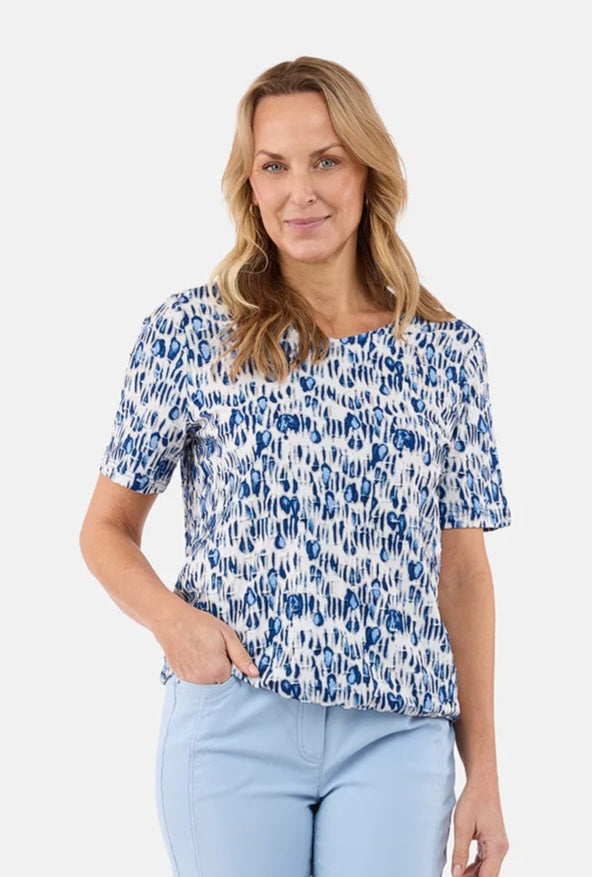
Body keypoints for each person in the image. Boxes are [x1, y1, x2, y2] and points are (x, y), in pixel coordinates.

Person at [79, 56, 512, 877]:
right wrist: (175, 624)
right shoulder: (190, 334)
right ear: (249, 184)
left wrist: (483, 773)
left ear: (367, 171)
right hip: (234, 722)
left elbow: (462, 573)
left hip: (397, 732)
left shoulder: (445, 353)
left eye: (326, 161)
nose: (299, 192)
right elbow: (104, 530)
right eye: (274, 166)